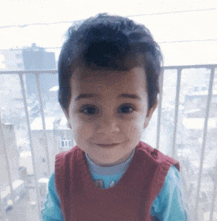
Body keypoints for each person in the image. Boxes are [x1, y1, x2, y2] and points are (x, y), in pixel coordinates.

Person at [41, 13, 189, 221]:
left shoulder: (161, 179)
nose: (108, 127)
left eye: (126, 109)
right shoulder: (62, 177)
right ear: (67, 112)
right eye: (90, 110)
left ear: (148, 112)